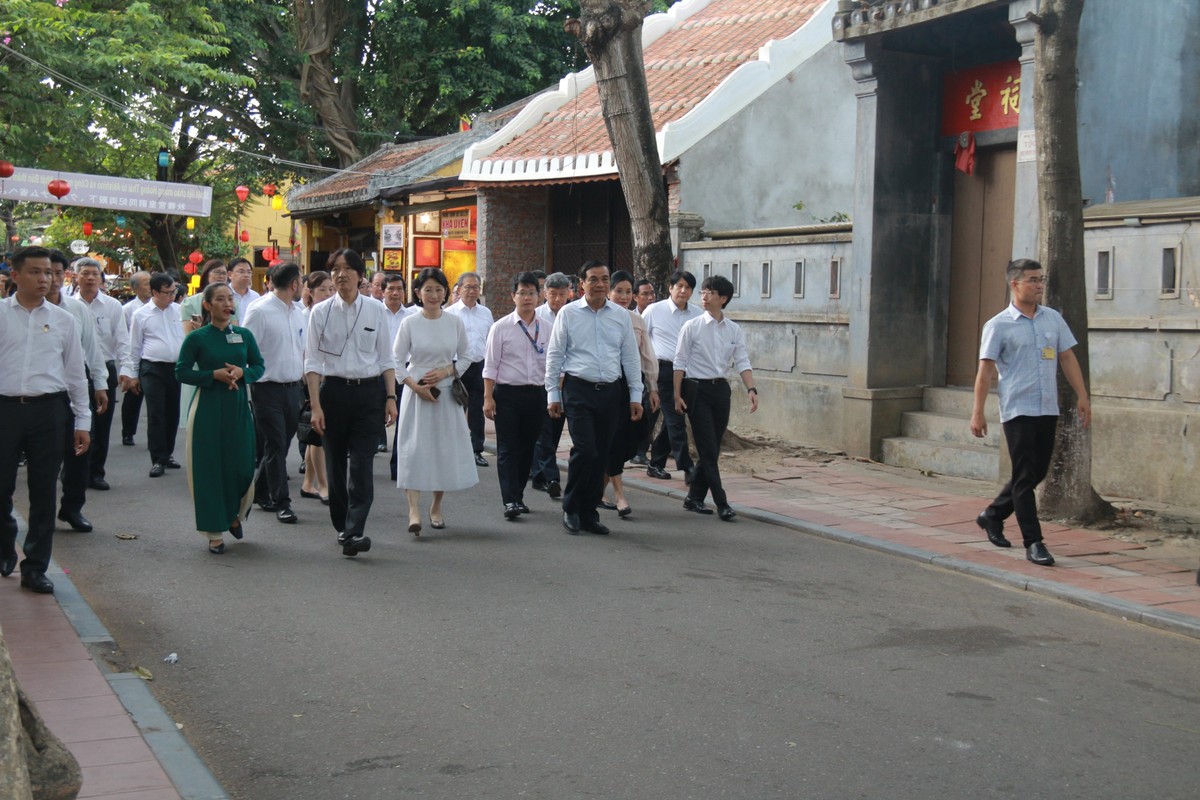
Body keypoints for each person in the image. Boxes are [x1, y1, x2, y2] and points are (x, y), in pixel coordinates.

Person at [970, 258, 1090, 567]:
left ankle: (992, 515)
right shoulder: (998, 325)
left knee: (1035, 473)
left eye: (1041, 279)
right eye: (1032, 280)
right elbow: (985, 372)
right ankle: (1034, 542)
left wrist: (1082, 395)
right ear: (1015, 284)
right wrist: (977, 413)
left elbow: (1066, 358)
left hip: (1047, 407)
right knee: (1024, 478)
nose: (1039, 285)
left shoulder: (1052, 319)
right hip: (1018, 409)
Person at [0, 246, 91, 593]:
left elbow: (74, 374)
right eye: (36, 272)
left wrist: (83, 421)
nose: (45, 279)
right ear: (16, 274)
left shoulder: (65, 319)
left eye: (49, 273)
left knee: (43, 491)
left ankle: (35, 567)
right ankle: (5, 541)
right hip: (5, 408)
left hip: (49, 411)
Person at [304, 249, 398, 557]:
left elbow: (386, 357)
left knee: (362, 464)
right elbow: (313, 363)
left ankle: (355, 529)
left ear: (360, 275)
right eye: (335, 269)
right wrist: (316, 406)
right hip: (333, 395)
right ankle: (342, 523)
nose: (341, 274)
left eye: (347, 269)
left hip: (369, 395)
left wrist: (390, 397)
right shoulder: (319, 312)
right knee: (334, 464)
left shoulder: (376, 310)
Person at [544, 261, 643, 536]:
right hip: (578, 390)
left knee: (601, 453)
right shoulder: (568, 313)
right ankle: (571, 507)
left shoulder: (621, 316)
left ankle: (589, 512)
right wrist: (552, 393)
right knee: (585, 449)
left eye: (604, 278)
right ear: (581, 284)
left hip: (611, 391)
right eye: (593, 279)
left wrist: (636, 395)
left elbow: (630, 358)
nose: (600, 284)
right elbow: (555, 355)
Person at [175, 283, 265, 553]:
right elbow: (181, 372)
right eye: (221, 299)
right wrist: (212, 375)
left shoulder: (244, 335)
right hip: (207, 408)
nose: (228, 304)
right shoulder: (197, 338)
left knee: (242, 464)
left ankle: (234, 513)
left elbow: (259, 366)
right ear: (207, 305)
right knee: (209, 469)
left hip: (237, 405)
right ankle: (214, 531)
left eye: (230, 299)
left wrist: (241, 373)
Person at [393, 268, 479, 534]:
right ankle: (414, 510)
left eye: (438, 289)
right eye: (427, 289)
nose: (433, 295)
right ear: (417, 293)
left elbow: (466, 356)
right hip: (417, 391)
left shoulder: (454, 322)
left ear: (446, 293)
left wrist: (447, 370)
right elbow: (396, 360)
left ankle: (436, 506)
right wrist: (414, 387)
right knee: (414, 450)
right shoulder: (409, 322)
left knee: (443, 451)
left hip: (445, 392)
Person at [674, 275, 757, 522]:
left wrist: (752, 390)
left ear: (723, 298)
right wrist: (676, 395)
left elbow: (742, 361)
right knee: (708, 449)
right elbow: (679, 362)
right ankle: (722, 502)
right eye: (702, 292)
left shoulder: (734, 329)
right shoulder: (692, 326)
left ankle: (693, 497)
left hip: (721, 392)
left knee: (712, 448)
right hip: (697, 391)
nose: (703, 296)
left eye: (709, 292)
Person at [47, 251, 108, 534]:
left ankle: (72, 508)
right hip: (39, 388)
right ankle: (41, 510)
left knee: (80, 449)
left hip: (75, 383)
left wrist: (100, 384)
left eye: (58, 273)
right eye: (47, 272)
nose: (52, 279)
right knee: (42, 454)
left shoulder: (76, 309)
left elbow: (92, 350)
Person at [241, 262, 305, 525]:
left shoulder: (298, 311)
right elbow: (246, 350)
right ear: (293, 285)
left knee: (281, 443)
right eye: (301, 281)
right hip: (266, 388)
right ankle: (282, 502)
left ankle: (258, 490)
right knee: (276, 443)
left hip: (294, 388)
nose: (303, 286)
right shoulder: (260, 311)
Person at [483, 272, 550, 520]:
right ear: (513, 296)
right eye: (522, 292)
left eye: (532, 292)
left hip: (536, 395)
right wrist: (488, 398)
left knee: (527, 447)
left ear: (539, 296)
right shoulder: (500, 328)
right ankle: (509, 500)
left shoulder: (548, 328)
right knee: (508, 448)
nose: (527, 297)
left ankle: (518, 495)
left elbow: (554, 365)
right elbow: (490, 366)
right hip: (507, 395)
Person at [600, 271, 659, 517]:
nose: (623, 297)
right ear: (609, 291)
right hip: (605, 385)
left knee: (625, 440)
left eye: (627, 292)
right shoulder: (598, 318)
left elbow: (647, 355)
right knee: (610, 439)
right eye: (619, 291)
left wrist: (653, 387)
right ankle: (620, 495)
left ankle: (597, 490)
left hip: (631, 386)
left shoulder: (637, 320)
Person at [121, 273, 184, 478]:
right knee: (157, 412)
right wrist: (132, 374)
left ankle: (168, 453)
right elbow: (134, 347)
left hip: (174, 368)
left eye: (174, 291)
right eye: (167, 292)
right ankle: (157, 458)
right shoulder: (141, 314)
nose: (172, 296)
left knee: (173, 412)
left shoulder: (178, 310)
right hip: (152, 368)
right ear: (155, 292)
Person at [73, 258, 127, 492]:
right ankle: (73, 471)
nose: (91, 278)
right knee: (76, 422)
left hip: (105, 368)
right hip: (74, 370)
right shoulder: (67, 305)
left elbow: (123, 340)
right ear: (76, 277)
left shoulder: (113, 306)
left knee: (102, 424)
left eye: (95, 274)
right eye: (85, 273)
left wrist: (127, 370)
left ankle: (96, 473)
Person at [643, 270, 701, 483]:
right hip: (663, 370)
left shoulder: (697, 314)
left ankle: (656, 462)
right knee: (676, 419)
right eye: (680, 286)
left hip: (688, 372)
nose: (683, 291)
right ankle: (687, 467)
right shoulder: (654, 311)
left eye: (688, 288)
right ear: (670, 288)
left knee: (675, 418)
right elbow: (640, 338)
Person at [529, 272, 573, 498]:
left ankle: (538, 475)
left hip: (567, 381)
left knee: (555, 430)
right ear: (545, 293)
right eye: (553, 294)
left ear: (569, 293)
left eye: (562, 294)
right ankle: (551, 476)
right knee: (544, 430)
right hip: (542, 380)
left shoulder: (573, 314)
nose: (557, 299)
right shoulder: (536, 316)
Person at [445, 271, 493, 466]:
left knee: (476, 410)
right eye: (468, 287)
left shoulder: (486, 312)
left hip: (479, 366)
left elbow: (490, 340)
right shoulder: (449, 313)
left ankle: (476, 449)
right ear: (458, 289)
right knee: (454, 409)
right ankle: (452, 449)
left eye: (476, 287)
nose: (473, 291)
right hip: (457, 367)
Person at [299, 271, 332, 505]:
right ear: (309, 292)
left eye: (331, 289)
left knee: (315, 435)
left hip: (329, 379)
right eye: (322, 290)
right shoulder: (304, 316)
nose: (329, 294)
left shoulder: (334, 314)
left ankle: (308, 482)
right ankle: (323, 484)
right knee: (318, 434)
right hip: (311, 380)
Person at [382, 273, 414, 471]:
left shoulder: (412, 316)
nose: (395, 293)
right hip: (377, 374)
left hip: (403, 374)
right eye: (390, 289)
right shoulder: (375, 312)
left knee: (403, 424)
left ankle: (398, 468)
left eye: (399, 289)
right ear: (382, 291)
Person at [120, 270, 152, 446]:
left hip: (152, 359)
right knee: (133, 397)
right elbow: (123, 338)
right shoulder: (127, 310)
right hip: (134, 357)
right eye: (146, 284)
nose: (150, 287)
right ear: (135, 288)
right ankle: (128, 432)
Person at [181, 260, 230, 334]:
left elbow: (233, 334)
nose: (221, 276)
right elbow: (188, 336)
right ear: (207, 274)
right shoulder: (189, 303)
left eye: (224, 273)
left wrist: (202, 329)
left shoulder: (232, 303)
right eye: (217, 272)